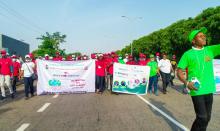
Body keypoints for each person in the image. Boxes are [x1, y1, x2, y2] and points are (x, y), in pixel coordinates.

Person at [177, 27, 220, 131]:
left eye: (204, 36)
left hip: (209, 88)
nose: (204, 37)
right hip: (196, 89)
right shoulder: (187, 54)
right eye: (200, 36)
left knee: (207, 118)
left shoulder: (210, 50)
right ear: (193, 40)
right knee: (202, 117)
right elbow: (179, 71)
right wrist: (187, 83)